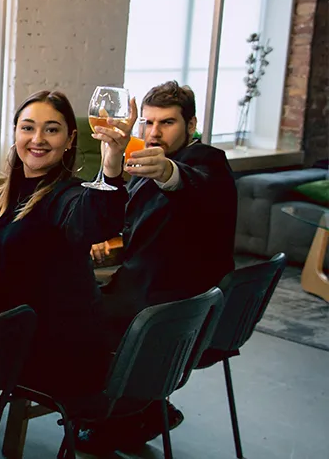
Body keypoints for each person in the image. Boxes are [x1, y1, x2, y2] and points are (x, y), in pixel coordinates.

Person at [78, 81, 238, 452]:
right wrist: (106, 228)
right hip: (154, 297)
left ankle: (114, 413)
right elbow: (136, 214)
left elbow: (192, 188)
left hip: (172, 311)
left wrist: (169, 172)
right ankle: (143, 408)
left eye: (166, 123)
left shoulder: (207, 162)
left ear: (192, 124)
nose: (153, 132)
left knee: (69, 315)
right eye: (147, 122)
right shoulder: (151, 161)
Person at [0, 90, 132, 398]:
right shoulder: (16, 190)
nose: (37, 138)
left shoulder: (66, 194)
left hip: (55, 352)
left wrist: (111, 165)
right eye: (27, 127)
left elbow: (89, 223)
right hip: (23, 329)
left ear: (69, 140)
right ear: (15, 133)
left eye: (51, 129)